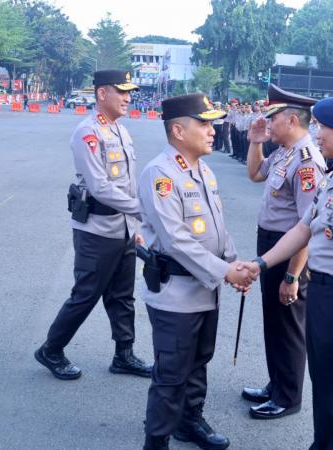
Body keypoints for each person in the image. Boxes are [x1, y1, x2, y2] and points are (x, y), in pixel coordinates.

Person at [241, 94, 333, 449]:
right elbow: (301, 229)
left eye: (325, 127)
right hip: (325, 292)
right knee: (324, 383)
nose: (319, 133)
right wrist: (262, 263)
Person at [138, 93, 253, 450]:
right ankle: (156, 439)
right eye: (203, 123)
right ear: (178, 130)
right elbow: (175, 240)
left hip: (205, 290)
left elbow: (217, 226)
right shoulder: (161, 174)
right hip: (176, 293)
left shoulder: (202, 169)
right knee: (171, 373)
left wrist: (235, 264)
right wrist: (225, 271)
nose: (212, 130)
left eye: (211, 123)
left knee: (199, 362)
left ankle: (188, 422)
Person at [35, 70, 152, 380]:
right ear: (102, 94)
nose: (129, 97)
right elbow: (100, 187)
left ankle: (124, 354)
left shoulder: (121, 131)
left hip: (123, 228)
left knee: (123, 295)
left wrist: (135, 226)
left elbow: (126, 185)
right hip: (96, 230)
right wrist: (145, 211)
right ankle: (51, 349)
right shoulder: (87, 132)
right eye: (122, 91)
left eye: (130, 92)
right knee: (86, 293)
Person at [242, 84, 327, 420]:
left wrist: (293, 275)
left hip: (290, 254)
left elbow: (307, 229)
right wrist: (255, 141)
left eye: (272, 118)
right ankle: (276, 384)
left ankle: (288, 397)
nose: (268, 122)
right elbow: (253, 174)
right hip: (272, 246)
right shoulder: (283, 152)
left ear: (292, 120)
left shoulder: (308, 163)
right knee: (273, 323)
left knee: (288, 326)